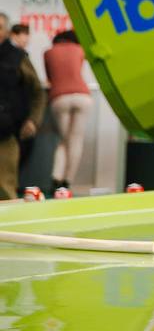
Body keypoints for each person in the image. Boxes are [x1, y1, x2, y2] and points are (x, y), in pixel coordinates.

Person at [0, 24, 45, 200]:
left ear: (5, 32)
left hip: (6, 132)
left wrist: (33, 120)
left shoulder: (17, 57)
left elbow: (37, 92)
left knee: (5, 188)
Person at [45, 30, 92, 193]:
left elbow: (50, 78)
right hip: (83, 96)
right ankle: (68, 180)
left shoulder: (49, 53)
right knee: (76, 140)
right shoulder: (80, 50)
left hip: (59, 98)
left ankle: (56, 177)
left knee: (64, 140)